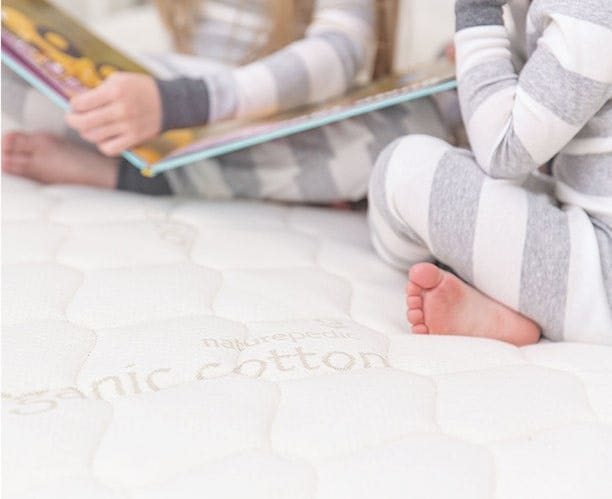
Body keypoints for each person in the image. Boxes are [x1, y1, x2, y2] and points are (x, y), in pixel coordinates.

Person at [2, 0, 448, 203]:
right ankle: (141, 153)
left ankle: (135, 176)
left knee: (408, 136)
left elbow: (339, 53)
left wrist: (183, 102)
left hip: (269, 113)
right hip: (172, 99)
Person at [368, 0, 612, 345]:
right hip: (588, 237)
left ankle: (492, 283)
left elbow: (502, 152)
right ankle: (508, 299)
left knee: (400, 169)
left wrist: (475, 13)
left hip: (600, 281)